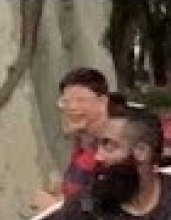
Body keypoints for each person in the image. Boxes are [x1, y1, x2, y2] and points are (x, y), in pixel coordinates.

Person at [31, 68, 114, 212]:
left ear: (103, 102)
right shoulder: (82, 145)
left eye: (81, 100)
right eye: (66, 101)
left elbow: (108, 210)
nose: (72, 108)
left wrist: (55, 208)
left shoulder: (114, 149)